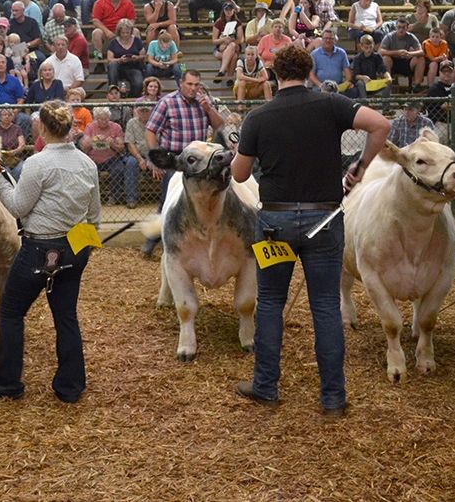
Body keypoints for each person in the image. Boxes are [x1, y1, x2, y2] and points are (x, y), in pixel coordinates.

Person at [231, 45, 389, 416]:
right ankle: (333, 396)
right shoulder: (330, 105)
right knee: (325, 307)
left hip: (276, 220)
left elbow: (239, 174)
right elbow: (381, 125)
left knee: (270, 304)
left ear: (273, 73)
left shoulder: (258, 116)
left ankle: (266, 385)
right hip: (324, 218)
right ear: (309, 70)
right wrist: (360, 167)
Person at [0, 100, 100, 403]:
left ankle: (7, 382)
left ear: (43, 128)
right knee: (66, 316)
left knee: (10, 311)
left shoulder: (37, 163)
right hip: (74, 246)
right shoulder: (88, 164)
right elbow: (94, 217)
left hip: (38, 247)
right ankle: (70, 386)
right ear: (71, 127)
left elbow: (19, 207)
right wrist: (82, 251)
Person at [141, 70, 227, 256]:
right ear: (181, 83)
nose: (193, 88)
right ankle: (153, 239)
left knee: (200, 202)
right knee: (169, 202)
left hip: (200, 164)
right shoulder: (167, 102)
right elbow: (150, 131)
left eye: (196, 85)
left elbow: (220, 126)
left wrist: (209, 109)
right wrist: (156, 159)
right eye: (189, 84)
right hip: (176, 161)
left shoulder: (204, 102)